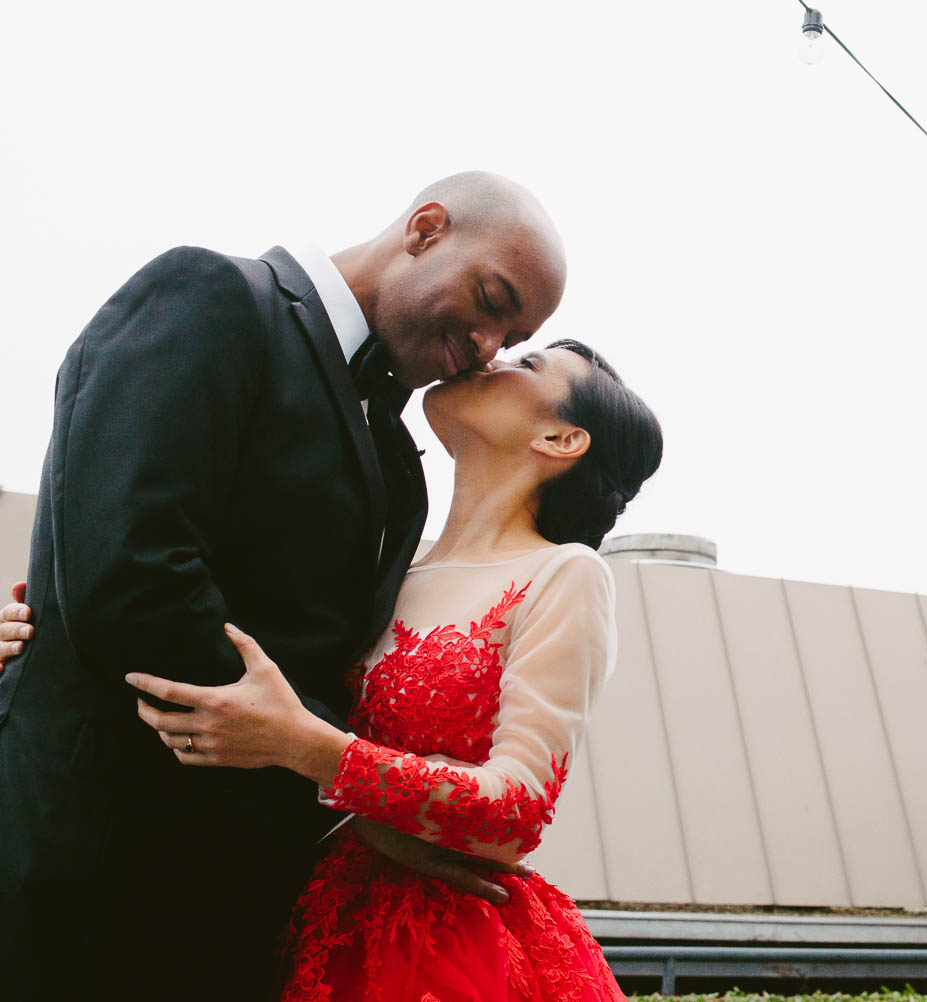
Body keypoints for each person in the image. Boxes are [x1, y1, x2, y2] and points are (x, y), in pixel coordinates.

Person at [0, 172, 568, 1001]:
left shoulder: (394, 451)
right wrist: (342, 786)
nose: (487, 344)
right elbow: (129, 573)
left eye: (513, 334)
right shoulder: (210, 295)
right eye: (491, 298)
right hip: (89, 873)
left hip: (247, 906)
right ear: (426, 228)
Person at [126, 339, 663, 1000]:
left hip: (442, 951)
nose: (490, 358)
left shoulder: (565, 574)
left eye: (528, 365)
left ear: (560, 438)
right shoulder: (382, 572)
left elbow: (517, 811)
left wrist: (307, 747)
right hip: (302, 914)